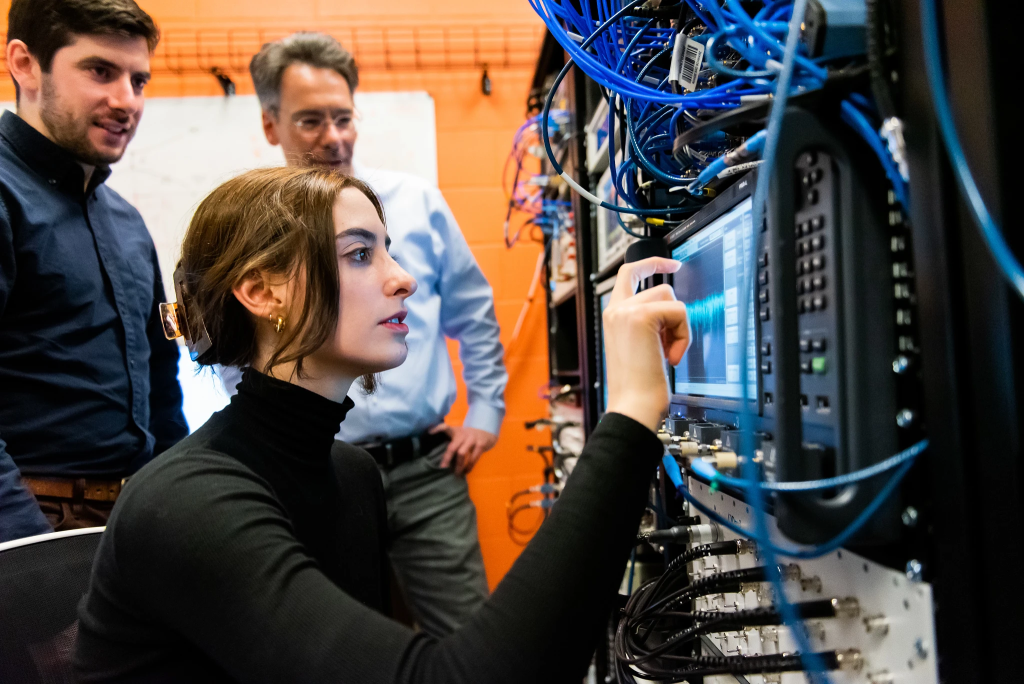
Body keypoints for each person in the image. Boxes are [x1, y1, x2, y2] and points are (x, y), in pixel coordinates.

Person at [72, 166, 690, 683]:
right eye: (361, 254)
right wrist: (631, 412)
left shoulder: (350, 473)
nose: (404, 278)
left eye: (387, 249)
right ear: (261, 293)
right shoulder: (189, 504)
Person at [240, 32, 507, 635]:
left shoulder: (416, 201)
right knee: (329, 648)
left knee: (470, 644)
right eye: (311, 121)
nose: (333, 138)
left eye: (343, 118)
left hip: (424, 471)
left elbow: (476, 312)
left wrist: (486, 410)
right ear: (271, 124)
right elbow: (243, 356)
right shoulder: (256, 230)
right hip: (317, 475)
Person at [0, 0, 187, 543]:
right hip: (34, 521)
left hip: (134, 518)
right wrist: (30, 549)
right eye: (100, 71)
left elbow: (161, 384)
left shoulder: (126, 222)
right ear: (25, 64)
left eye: (139, 79)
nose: (126, 100)